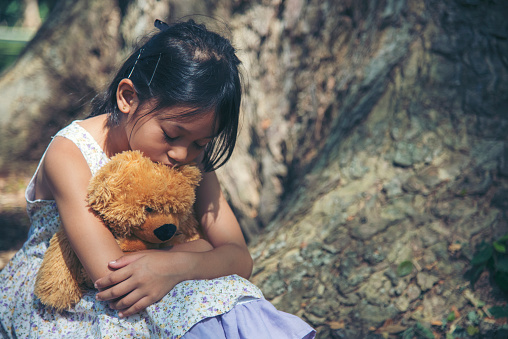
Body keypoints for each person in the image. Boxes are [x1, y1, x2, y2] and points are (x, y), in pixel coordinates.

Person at [0, 19, 315, 338]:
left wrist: (177, 266)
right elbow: (110, 273)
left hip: (159, 283)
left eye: (199, 143)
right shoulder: (69, 153)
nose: (181, 154)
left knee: (233, 300)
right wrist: (201, 250)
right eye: (171, 134)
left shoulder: (191, 157)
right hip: (72, 302)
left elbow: (239, 257)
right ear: (127, 97)